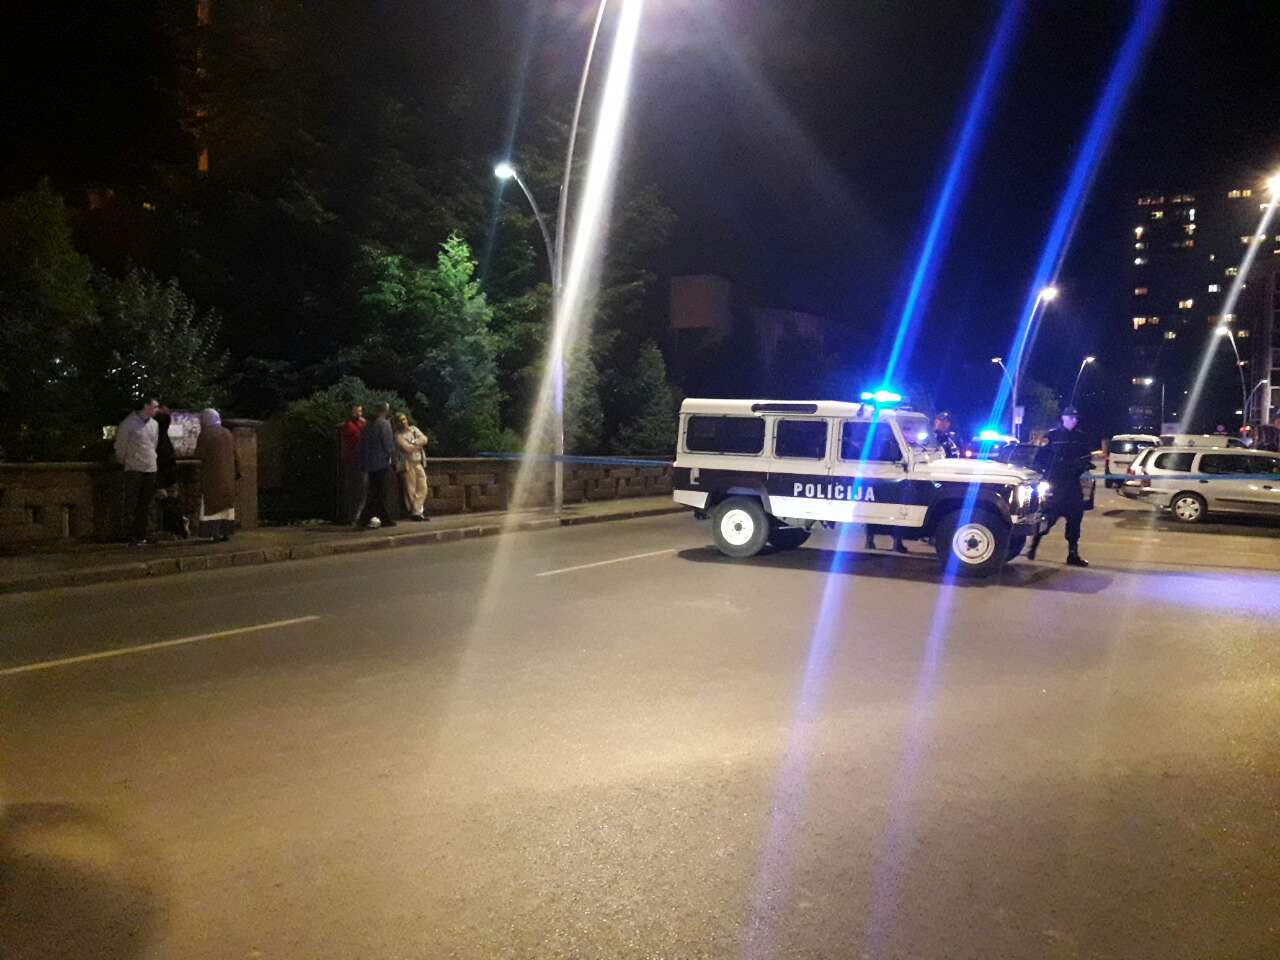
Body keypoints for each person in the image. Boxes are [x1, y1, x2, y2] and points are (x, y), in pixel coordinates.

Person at [1027, 405, 1092, 567]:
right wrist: (1046, 471)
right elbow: (1039, 459)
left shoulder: (1080, 437)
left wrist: (1082, 465)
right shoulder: (1052, 436)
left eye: (1076, 418)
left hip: (1073, 484)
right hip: (1056, 484)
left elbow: (1087, 457)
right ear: (1063, 418)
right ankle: (1033, 546)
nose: (1074, 420)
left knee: (1075, 520)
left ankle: (1073, 554)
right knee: (1048, 519)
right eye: (1070, 417)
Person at [114, 396, 160, 545]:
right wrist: (125, 461)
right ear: (146, 407)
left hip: (150, 467)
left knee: (146, 503)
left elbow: (154, 443)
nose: (157, 410)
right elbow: (120, 446)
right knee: (132, 502)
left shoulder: (154, 424)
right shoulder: (128, 424)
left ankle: (142, 533)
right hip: (134, 467)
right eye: (155, 407)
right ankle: (131, 534)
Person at [195, 408, 239, 541]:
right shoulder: (227, 433)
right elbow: (236, 455)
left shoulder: (206, 434)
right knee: (227, 507)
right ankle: (225, 532)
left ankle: (213, 533)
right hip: (228, 476)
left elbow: (199, 455)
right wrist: (237, 472)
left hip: (212, 476)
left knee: (211, 506)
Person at [357, 402, 397, 528]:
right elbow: (388, 445)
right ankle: (367, 518)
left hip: (370, 464)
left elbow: (362, 444)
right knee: (380, 492)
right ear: (386, 411)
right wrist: (394, 459)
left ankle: (377, 518)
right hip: (382, 463)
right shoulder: (384, 424)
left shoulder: (368, 425)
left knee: (375, 491)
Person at [393, 412, 431, 522]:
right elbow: (406, 448)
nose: (403, 422)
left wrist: (414, 442)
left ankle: (417, 511)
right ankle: (416, 512)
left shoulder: (413, 429)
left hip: (418, 462)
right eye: (400, 421)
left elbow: (425, 439)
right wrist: (418, 444)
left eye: (404, 419)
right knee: (411, 489)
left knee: (423, 487)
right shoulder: (398, 435)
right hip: (407, 463)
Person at [339, 404, 367, 524]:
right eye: (356, 411)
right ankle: (354, 516)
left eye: (360, 411)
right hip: (353, 461)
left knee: (362, 489)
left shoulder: (362, 424)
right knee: (356, 489)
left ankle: (358, 515)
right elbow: (357, 439)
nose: (359, 414)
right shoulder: (349, 426)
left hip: (361, 461)